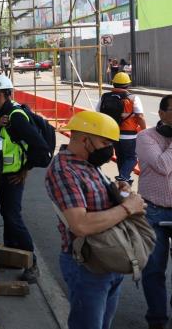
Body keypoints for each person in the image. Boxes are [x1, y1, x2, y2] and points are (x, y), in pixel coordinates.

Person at [45, 111, 146, 329]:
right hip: (86, 266)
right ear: (84, 139)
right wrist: (128, 208)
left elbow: (98, 202)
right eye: (105, 142)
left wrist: (120, 193)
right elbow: (80, 225)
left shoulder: (88, 164)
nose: (109, 149)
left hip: (107, 260)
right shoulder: (65, 171)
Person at [0, 74, 51, 283]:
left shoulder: (16, 116)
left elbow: (40, 147)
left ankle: (32, 263)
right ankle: (13, 257)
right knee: (7, 214)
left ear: (3, 94)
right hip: (1, 174)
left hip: (13, 176)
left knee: (13, 217)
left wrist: (26, 169)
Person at [136, 95, 172, 329]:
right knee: (153, 269)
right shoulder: (145, 137)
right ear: (160, 113)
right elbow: (162, 166)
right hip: (154, 211)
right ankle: (157, 319)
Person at [97, 72, 146, 183]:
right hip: (128, 135)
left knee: (120, 157)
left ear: (113, 84)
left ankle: (123, 179)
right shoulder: (133, 98)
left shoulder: (105, 97)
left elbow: (98, 113)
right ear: (128, 85)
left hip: (112, 134)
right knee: (132, 158)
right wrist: (145, 132)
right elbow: (140, 117)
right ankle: (123, 177)